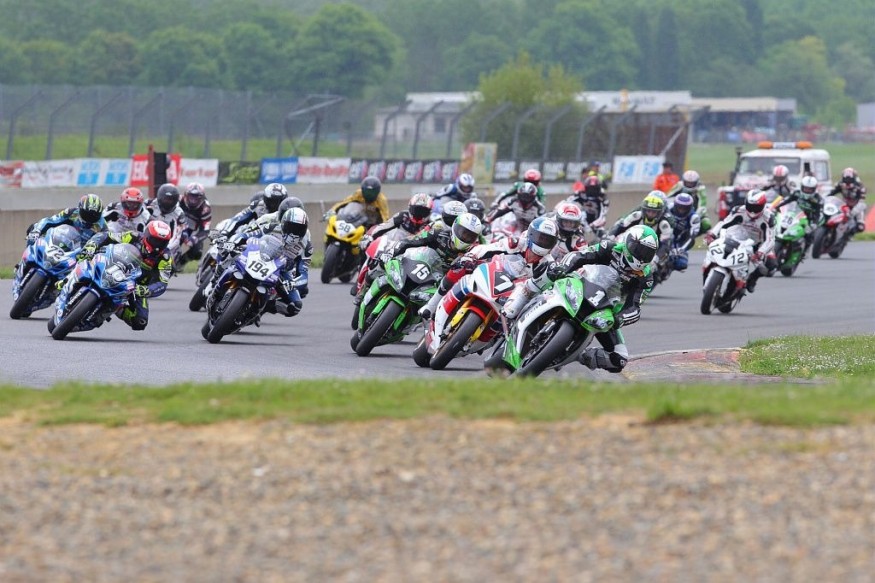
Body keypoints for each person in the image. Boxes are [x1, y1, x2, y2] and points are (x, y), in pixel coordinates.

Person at [548, 225, 658, 373]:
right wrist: (563, 267)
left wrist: (619, 319)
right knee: (549, 280)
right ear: (630, 243)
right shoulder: (610, 248)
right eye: (640, 250)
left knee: (619, 360)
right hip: (582, 287)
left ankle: (578, 355)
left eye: (648, 253)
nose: (642, 256)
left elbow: (634, 308)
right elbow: (580, 255)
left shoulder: (646, 278)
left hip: (605, 313)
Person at [419, 216, 558, 321]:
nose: (543, 242)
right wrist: (471, 257)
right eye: (541, 238)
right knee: (459, 267)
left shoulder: (549, 264)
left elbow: (546, 289)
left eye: (547, 240)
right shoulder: (516, 243)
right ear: (531, 235)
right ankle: (431, 306)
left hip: (514, 294)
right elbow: (487, 248)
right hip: (496, 274)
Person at [79, 220, 174, 331]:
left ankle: (116, 308)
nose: (158, 245)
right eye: (155, 240)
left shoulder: (165, 258)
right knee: (80, 259)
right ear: (147, 235)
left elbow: (162, 283)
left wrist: (146, 290)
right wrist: (92, 246)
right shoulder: (133, 236)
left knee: (140, 322)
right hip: (112, 267)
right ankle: (67, 282)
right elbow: (107, 236)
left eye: (162, 242)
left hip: (135, 286)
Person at [223, 208, 312, 317]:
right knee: (233, 256)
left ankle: (264, 306)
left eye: (299, 229)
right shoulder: (272, 227)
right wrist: (233, 243)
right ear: (284, 223)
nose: (294, 233)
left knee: (296, 306)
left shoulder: (307, 247)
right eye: (292, 227)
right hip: (260, 255)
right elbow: (247, 235)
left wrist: (293, 283)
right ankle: (218, 280)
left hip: (282, 270)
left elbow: (304, 275)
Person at [703, 189, 776, 293]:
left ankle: (752, 279)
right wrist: (712, 234)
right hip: (737, 237)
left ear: (763, 205)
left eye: (756, 207)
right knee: (717, 248)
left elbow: (770, 239)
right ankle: (711, 268)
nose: (753, 211)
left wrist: (761, 252)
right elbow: (724, 223)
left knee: (771, 265)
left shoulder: (769, 218)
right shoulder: (738, 210)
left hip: (759, 243)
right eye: (750, 206)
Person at [608, 192, 674, 261]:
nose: (650, 214)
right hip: (633, 243)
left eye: (654, 212)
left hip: (651, 253)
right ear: (644, 210)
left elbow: (665, 245)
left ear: (660, 212)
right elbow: (621, 226)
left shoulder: (664, 224)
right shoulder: (636, 215)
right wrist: (610, 237)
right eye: (648, 211)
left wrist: (656, 259)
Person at [27, 193, 106, 247]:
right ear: (80, 208)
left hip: (82, 255)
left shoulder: (102, 224)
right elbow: (50, 220)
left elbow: (107, 239)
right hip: (62, 245)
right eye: (87, 214)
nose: (89, 218)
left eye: (94, 215)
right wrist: (37, 230)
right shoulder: (72, 212)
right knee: (33, 227)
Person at [774, 175, 822, 253]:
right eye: (805, 188)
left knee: (809, 233)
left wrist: (814, 223)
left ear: (814, 189)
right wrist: (777, 206)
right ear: (802, 187)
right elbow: (787, 200)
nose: (807, 191)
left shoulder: (817, 199)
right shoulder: (797, 193)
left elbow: (818, 213)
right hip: (796, 213)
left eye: (810, 189)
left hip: (809, 217)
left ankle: (805, 249)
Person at [177, 182, 213, 265]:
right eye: (191, 196)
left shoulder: (205, 209)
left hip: (190, 230)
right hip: (175, 225)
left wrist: (195, 238)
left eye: (196, 197)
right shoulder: (178, 200)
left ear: (202, 197)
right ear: (186, 195)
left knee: (197, 252)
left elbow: (205, 230)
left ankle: (181, 263)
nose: (193, 200)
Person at [145, 183, 185, 254]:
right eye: (165, 199)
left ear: (175, 200)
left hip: (165, 242)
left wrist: (167, 249)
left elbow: (177, 236)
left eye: (170, 200)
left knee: (177, 252)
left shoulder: (179, 213)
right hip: (147, 238)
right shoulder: (148, 203)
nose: (167, 202)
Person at [666, 193, 701, 271]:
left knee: (681, 264)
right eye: (679, 207)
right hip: (665, 237)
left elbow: (692, 237)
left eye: (685, 208)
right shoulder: (668, 208)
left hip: (680, 242)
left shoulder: (694, 217)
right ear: (675, 205)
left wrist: (681, 249)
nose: (681, 210)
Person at [830, 167, 867, 233]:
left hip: (856, 206)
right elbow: (831, 193)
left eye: (849, 179)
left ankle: (854, 228)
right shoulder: (840, 184)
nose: (847, 182)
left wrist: (853, 212)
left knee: (861, 227)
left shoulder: (860, 186)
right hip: (844, 205)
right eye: (845, 179)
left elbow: (862, 200)